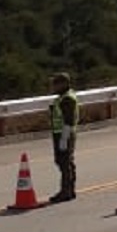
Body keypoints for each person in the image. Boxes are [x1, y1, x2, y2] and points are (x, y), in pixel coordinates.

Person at [48, 72, 79, 202]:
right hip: (60, 132)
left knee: (64, 161)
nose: (53, 86)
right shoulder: (62, 97)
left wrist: (64, 138)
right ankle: (69, 190)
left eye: (56, 83)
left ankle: (66, 191)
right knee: (65, 161)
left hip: (64, 133)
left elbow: (68, 120)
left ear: (64, 84)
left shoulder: (67, 99)